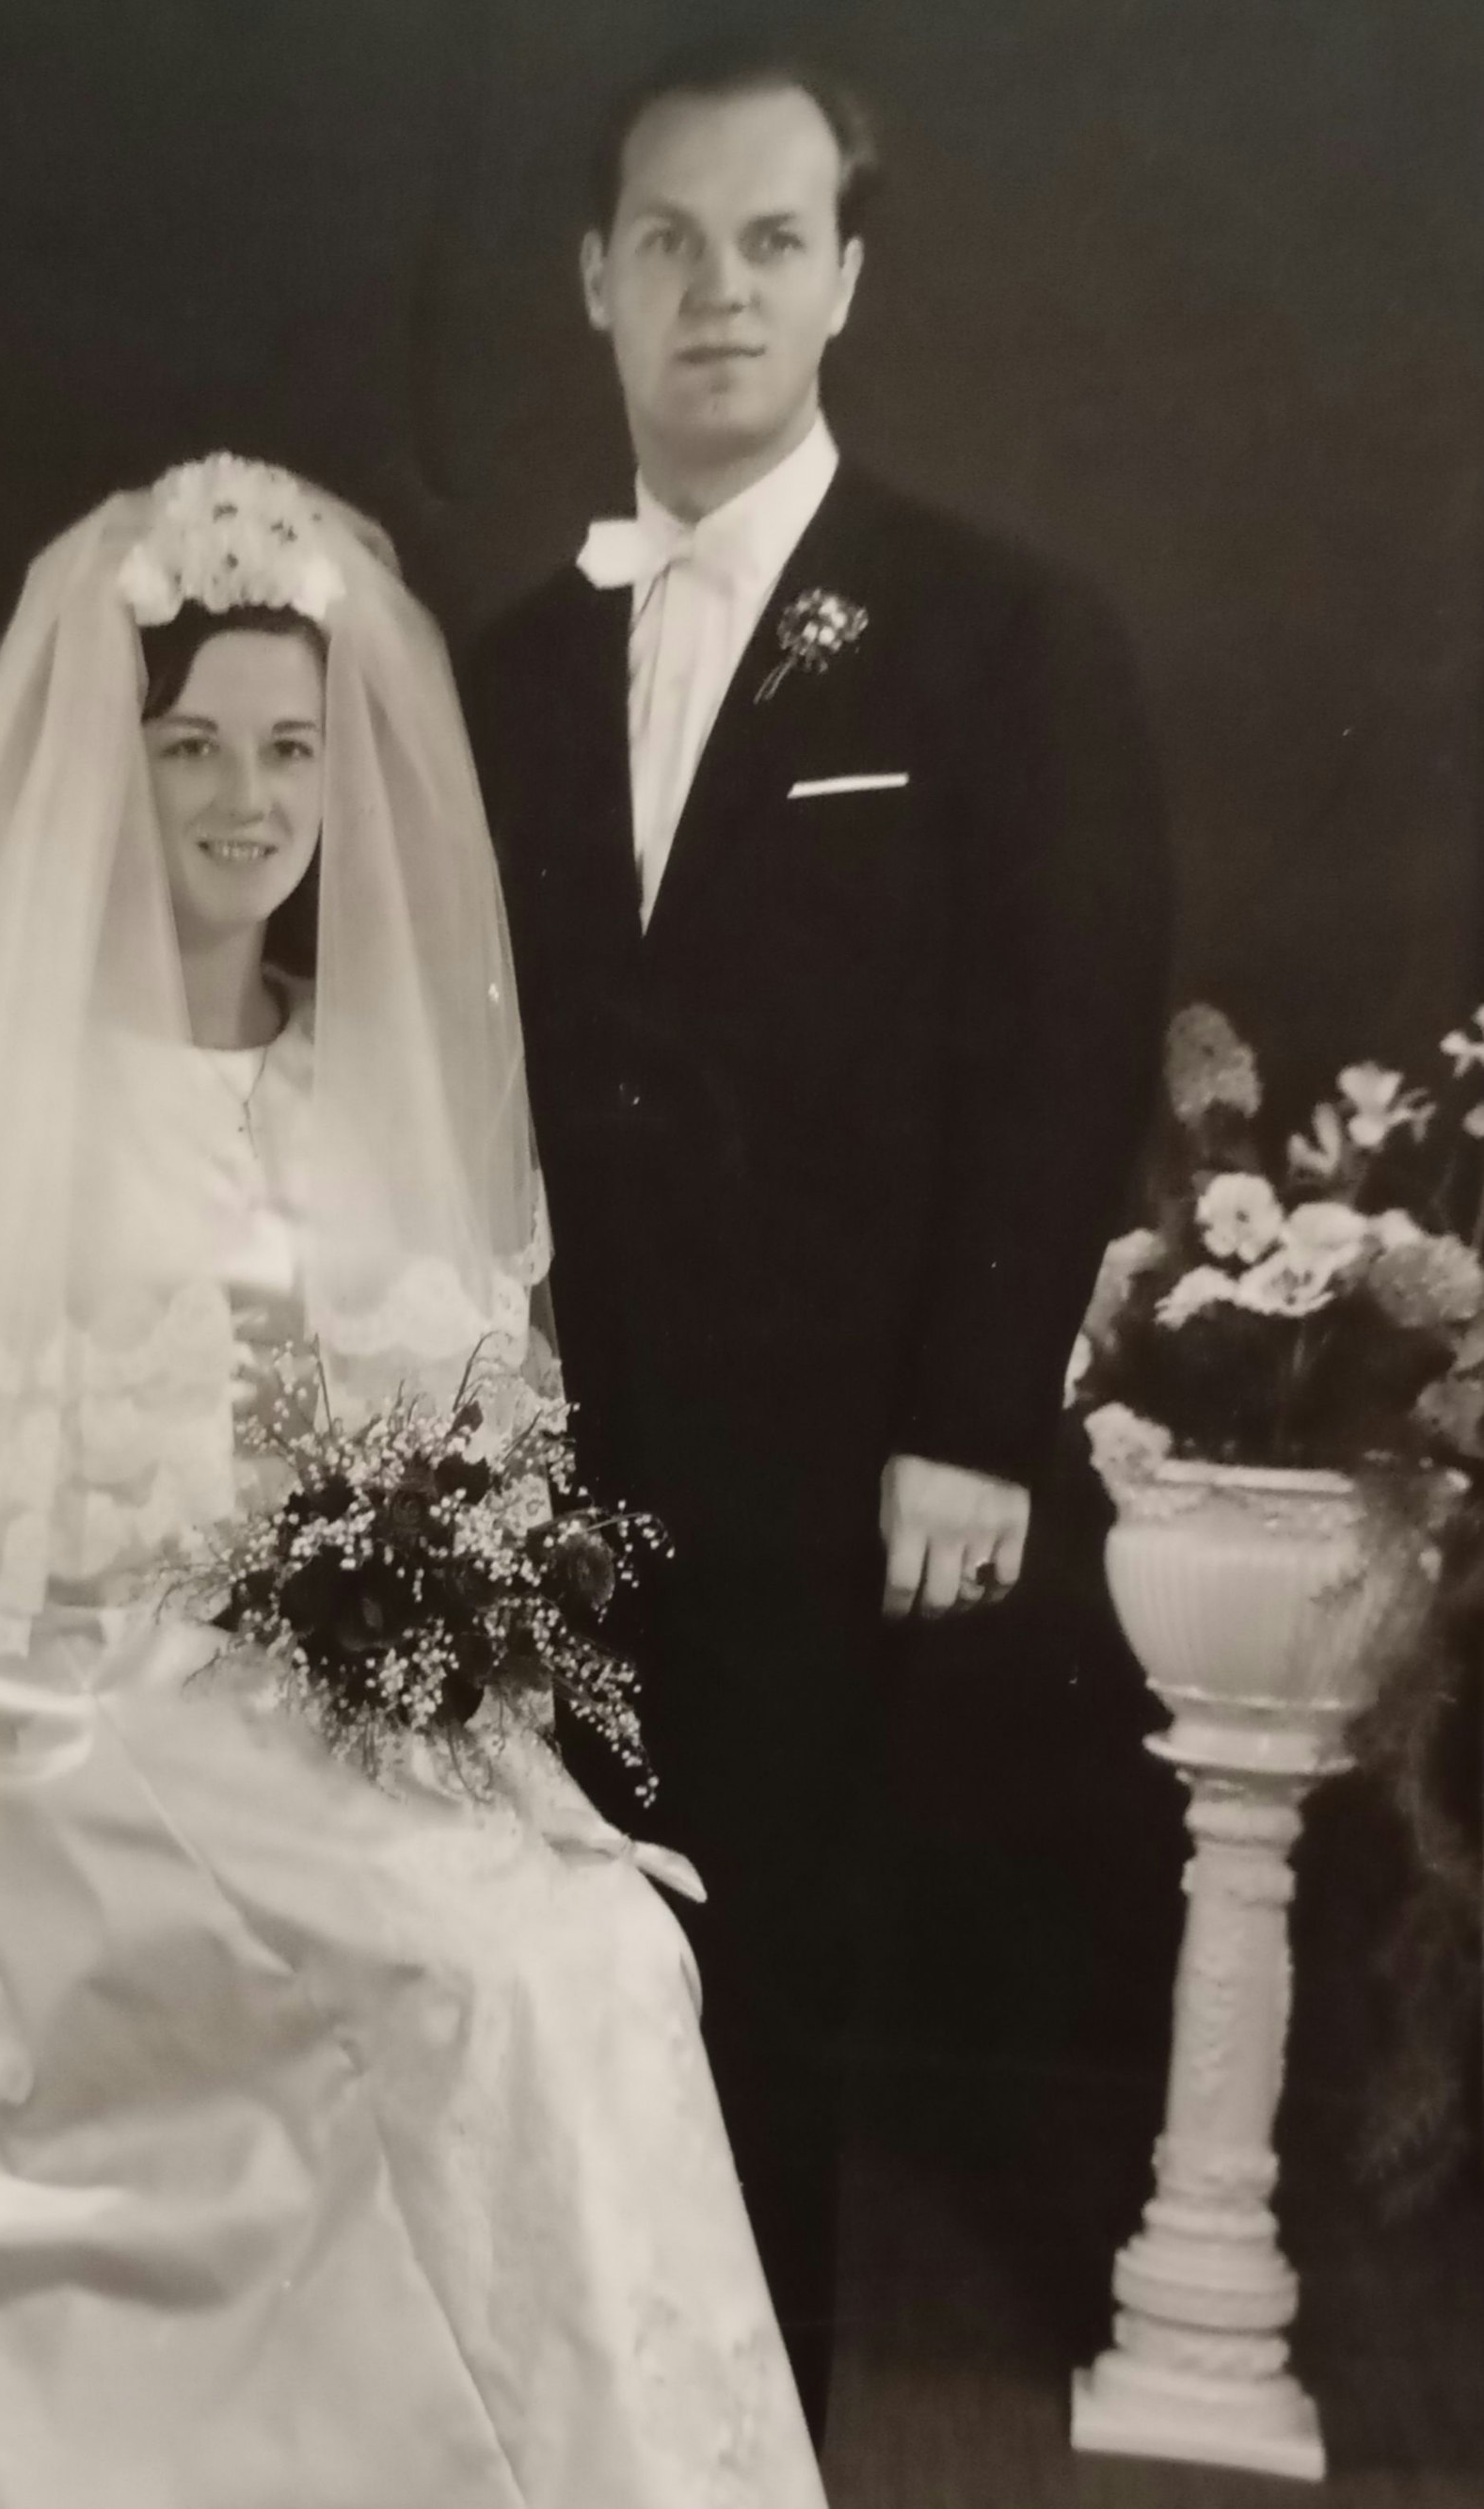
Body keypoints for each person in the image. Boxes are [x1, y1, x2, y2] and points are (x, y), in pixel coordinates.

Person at [0, 456, 828, 2508]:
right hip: (91, 1719)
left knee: (599, 1955)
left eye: (286, 745)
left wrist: (432, 1635)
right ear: (114, 768)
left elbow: (459, 1434)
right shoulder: (18, 1098)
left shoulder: (366, 1068)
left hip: (327, 1704)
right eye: (189, 750)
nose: (244, 797)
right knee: (476, 1976)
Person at [462, 41, 1173, 2444]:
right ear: (592, 280)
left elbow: (1065, 1048)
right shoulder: (500, 668)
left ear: (847, 282)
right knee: (522, 1995)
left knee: (743, 2008)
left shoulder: (994, 636)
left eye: (772, 243)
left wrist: (970, 1424)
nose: (718, 291)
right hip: (526, 1476)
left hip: (828, 1473)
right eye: (668, 240)